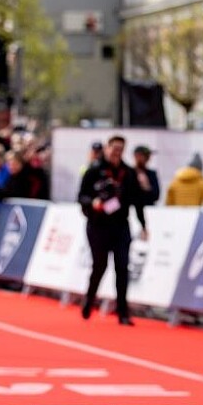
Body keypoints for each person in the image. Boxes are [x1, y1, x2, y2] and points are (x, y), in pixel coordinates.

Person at [77, 135, 146, 326]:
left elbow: (137, 201)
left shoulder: (128, 172)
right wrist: (93, 202)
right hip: (98, 225)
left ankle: (123, 312)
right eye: (114, 148)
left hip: (120, 225)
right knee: (99, 266)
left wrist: (144, 225)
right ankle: (89, 300)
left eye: (120, 149)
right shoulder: (94, 170)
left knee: (122, 267)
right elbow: (81, 196)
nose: (117, 152)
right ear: (107, 148)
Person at [132, 144, 161, 238]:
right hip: (131, 216)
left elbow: (156, 195)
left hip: (149, 214)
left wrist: (146, 187)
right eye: (145, 156)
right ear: (137, 156)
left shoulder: (152, 174)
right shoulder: (128, 173)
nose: (148, 158)